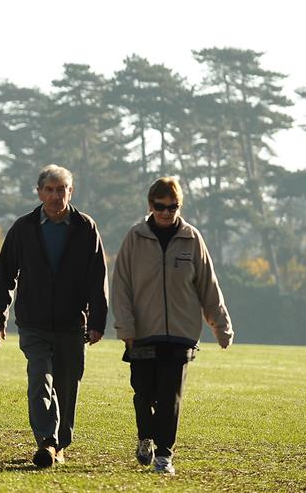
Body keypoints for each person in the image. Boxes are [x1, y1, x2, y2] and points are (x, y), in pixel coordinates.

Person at [112, 177, 233, 475]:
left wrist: (221, 326)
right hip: (142, 333)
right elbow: (121, 286)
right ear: (150, 205)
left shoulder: (193, 239)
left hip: (181, 335)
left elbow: (208, 285)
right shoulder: (135, 237)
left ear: (180, 205)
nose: (167, 212)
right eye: (160, 206)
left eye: (173, 206)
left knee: (170, 397)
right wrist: (125, 327)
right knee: (143, 394)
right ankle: (145, 437)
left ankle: (164, 455)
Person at [0, 164, 108, 468]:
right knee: (40, 380)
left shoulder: (85, 227)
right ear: (39, 192)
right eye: (50, 190)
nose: (56, 195)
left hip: (72, 324)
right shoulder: (24, 228)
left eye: (62, 189)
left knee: (67, 385)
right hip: (34, 323)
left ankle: (60, 443)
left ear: (71, 191)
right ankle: (47, 440)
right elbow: (5, 274)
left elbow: (98, 278)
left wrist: (97, 322)